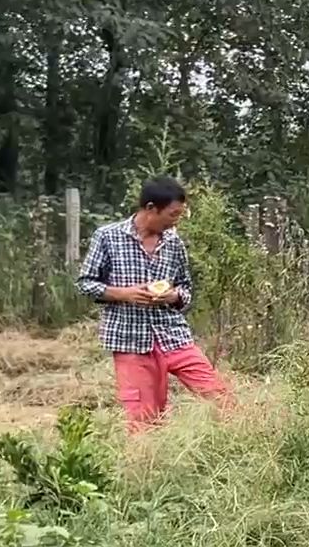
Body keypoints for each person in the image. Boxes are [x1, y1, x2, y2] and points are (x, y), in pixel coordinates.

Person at [77, 176, 231, 433]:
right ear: (150, 208)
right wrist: (124, 294)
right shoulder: (107, 237)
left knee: (219, 395)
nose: (176, 220)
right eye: (172, 214)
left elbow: (186, 290)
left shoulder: (174, 243)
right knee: (143, 420)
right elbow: (85, 284)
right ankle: (146, 466)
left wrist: (173, 296)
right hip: (130, 341)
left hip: (173, 336)